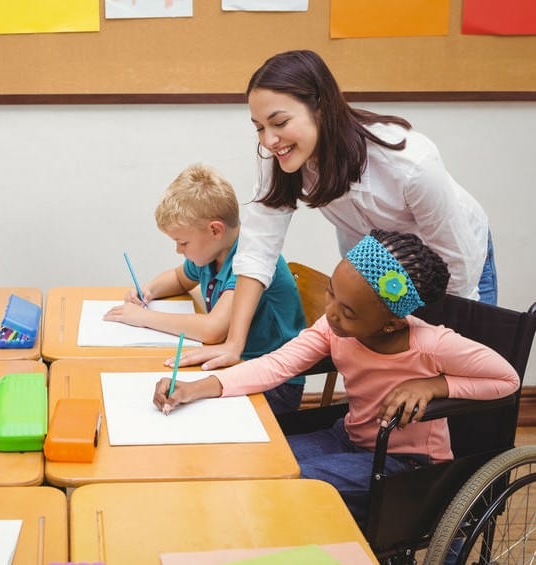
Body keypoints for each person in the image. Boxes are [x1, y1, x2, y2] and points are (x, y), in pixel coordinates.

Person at [153, 230, 519, 526]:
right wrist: (195, 389)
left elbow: (507, 379)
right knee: (256, 462)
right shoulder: (332, 328)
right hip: (347, 436)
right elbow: (277, 364)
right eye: (331, 294)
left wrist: (434, 385)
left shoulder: (431, 344)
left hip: (406, 463)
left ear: (391, 321)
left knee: (289, 481)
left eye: (348, 311)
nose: (331, 314)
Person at [172, 49, 497, 372]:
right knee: (389, 375)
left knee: (450, 376)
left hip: (452, 263)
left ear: (322, 109)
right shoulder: (285, 158)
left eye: (280, 122)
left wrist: (446, 347)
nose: (269, 140)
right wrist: (234, 344)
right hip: (378, 268)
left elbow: (458, 268)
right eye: (258, 127)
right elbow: (257, 250)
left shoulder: (410, 165)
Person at [104, 163, 306, 415]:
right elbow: (179, 278)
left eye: (183, 242)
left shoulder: (250, 260)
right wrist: (149, 290)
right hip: (234, 367)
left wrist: (144, 318)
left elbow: (213, 330)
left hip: (276, 383)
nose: (179, 250)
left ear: (214, 230)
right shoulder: (211, 254)